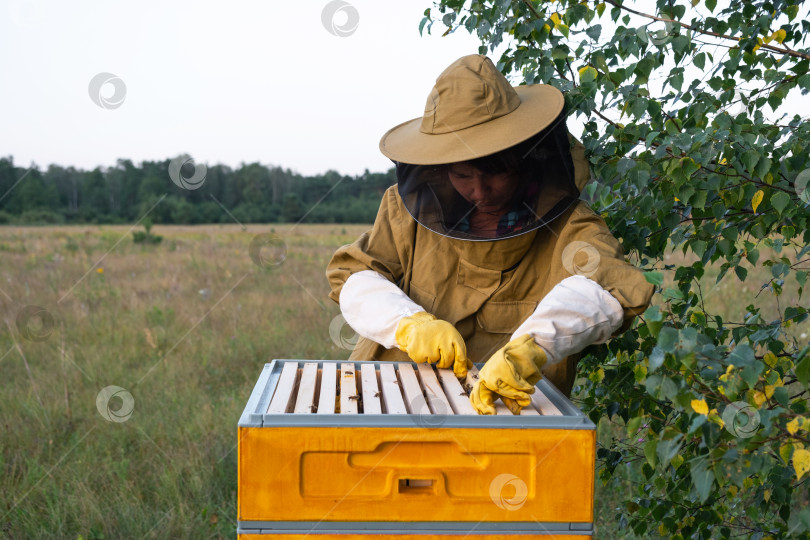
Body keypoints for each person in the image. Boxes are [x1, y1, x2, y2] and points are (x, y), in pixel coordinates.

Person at [326, 54, 653, 415]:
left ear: (523, 160)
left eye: (496, 173)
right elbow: (356, 275)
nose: (479, 192)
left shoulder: (570, 225)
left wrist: (533, 346)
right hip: (389, 402)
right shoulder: (406, 210)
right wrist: (408, 324)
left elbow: (608, 287)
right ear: (440, 167)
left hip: (508, 415)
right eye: (462, 176)